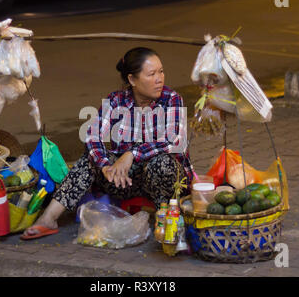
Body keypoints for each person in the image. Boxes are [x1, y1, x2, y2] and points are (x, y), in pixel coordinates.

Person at [21, 47, 195, 240]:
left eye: (161, 71)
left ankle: (167, 222)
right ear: (132, 80)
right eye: (151, 74)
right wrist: (105, 166)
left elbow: (174, 139)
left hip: (164, 181)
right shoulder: (115, 100)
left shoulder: (171, 100)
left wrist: (131, 154)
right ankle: (48, 218)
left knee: (160, 163)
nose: (159, 78)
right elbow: (92, 137)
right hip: (124, 179)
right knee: (89, 160)